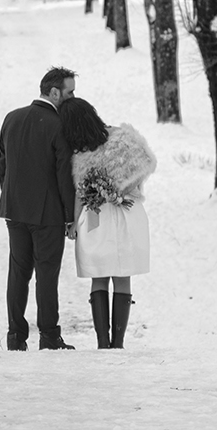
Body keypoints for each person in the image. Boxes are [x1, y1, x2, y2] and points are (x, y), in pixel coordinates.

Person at [60, 97, 155, 349]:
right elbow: (147, 163)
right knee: (123, 273)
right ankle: (119, 342)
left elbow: (80, 193)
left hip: (95, 214)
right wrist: (123, 186)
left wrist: (72, 223)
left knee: (98, 274)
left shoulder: (80, 154)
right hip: (128, 211)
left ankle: (103, 342)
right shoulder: (123, 138)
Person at [0, 66, 78, 351]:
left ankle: (15, 336)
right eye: (69, 93)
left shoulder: (12, 118)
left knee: (18, 272)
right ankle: (49, 336)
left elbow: (3, 164)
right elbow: (63, 175)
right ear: (54, 92)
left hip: (14, 210)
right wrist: (70, 217)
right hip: (49, 214)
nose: (72, 98)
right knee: (47, 273)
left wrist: (10, 197)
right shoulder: (58, 126)